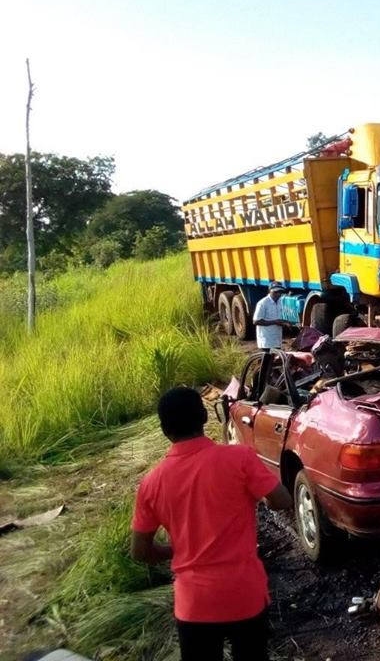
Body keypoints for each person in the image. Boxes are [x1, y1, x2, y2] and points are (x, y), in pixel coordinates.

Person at [130, 387, 293, 661]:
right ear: (205, 416)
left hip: (194, 604)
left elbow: (140, 551)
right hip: (245, 593)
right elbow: (282, 500)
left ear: (163, 430)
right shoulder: (239, 458)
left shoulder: (151, 484)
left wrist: (177, 549)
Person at [253, 281, 293, 350]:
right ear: (270, 291)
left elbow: (278, 318)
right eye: (276, 292)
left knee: (275, 359)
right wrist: (276, 322)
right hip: (266, 341)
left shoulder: (280, 302)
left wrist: (286, 322)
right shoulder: (263, 303)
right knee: (266, 359)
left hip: (276, 340)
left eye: (280, 292)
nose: (278, 294)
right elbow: (256, 321)